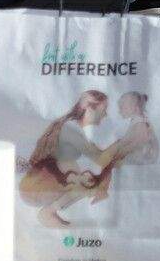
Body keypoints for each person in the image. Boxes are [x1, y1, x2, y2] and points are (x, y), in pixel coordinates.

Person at [19, 90, 110, 229]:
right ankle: (48, 212)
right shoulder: (71, 131)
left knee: (76, 170)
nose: (105, 114)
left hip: (33, 184)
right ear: (90, 109)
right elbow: (99, 157)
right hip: (37, 187)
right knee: (85, 179)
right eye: (103, 109)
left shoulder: (66, 125)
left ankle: (50, 212)